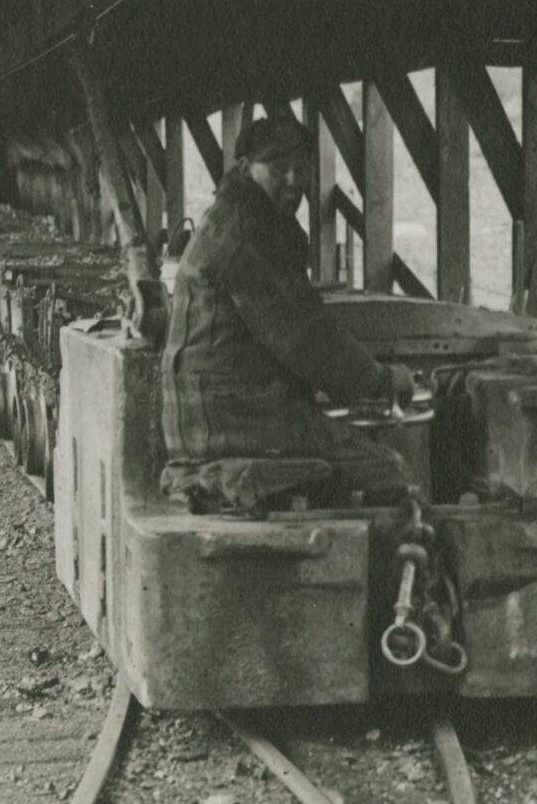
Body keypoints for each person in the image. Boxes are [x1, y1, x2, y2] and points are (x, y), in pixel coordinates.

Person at [160, 114, 417, 509]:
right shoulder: (249, 232)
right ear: (246, 167)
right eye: (279, 168)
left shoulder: (230, 216)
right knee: (390, 470)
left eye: (302, 168)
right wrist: (381, 380)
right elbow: (304, 338)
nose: (295, 180)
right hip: (236, 421)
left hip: (207, 417)